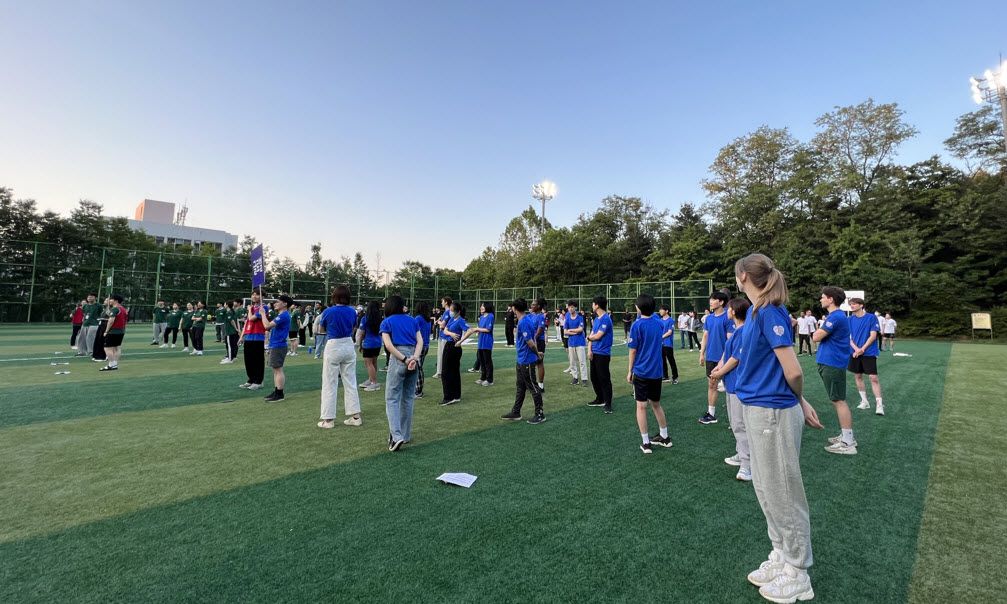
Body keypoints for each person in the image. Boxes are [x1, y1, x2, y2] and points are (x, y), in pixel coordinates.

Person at [732, 253, 822, 603]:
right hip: (759, 408)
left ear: (743, 277)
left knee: (783, 492)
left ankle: (798, 572)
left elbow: (793, 369)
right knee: (767, 489)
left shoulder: (770, 312)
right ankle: (781, 555)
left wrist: (799, 400)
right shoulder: (757, 311)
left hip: (773, 411)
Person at [710, 297, 754, 481]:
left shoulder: (743, 331)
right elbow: (728, 355)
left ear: (734, 312)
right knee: (735, 423)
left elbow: (736, 359)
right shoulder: (737, 331)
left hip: (738, 384)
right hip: (732, 384)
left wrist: (720, 373)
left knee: (739, 425)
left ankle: (747, 465)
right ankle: (741, 454)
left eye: (729, 308)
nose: (727, 310)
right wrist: (719, 366)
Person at [627, 293, 672, 454]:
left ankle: (646, 443)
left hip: (641, 370)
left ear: (639, 308)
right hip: (656, 371)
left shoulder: (637, 325)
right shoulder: (659, 323)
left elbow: (633, 350)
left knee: (641, 406)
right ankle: (665, 437)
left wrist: (629, 371)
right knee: (656, 404)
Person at [813, 286, 856, 455]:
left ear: (831, 299)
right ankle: (846, 435)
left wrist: (818, 330)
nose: (821, 299)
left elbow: (816, 337)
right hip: (830, 362)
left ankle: (848, 442)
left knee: (838, 400)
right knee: (836, 399)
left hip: (833, 363)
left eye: (823, 297)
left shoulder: (836, 316)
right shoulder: (835, 316)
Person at [380, 295, 423, 451]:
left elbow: (389, 346)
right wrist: (414, 358)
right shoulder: (412, 320)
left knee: (391, 398)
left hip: (399, 358)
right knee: (408, 398)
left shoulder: (387, 322)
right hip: (413, 357)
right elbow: (420, 341)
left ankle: (396, 436)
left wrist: (405, 359)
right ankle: (405, 435)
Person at [318, 286, 362, 428]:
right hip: (348, 344)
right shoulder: (352, 311)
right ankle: (356, 416)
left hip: (334, 344)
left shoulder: (328, 311)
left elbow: (321, 329)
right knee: (350, 381)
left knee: (329, 382)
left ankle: (328, 419)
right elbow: (354, 326)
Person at [500, 298, 546, 424]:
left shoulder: (524, 322)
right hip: (521, 359)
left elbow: (530, 342)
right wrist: (538, 351)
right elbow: (532, 340)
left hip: (526, 360)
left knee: (533, 387)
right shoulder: (525, 320)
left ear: (514, 308)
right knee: (520, 387)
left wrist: (537, 354)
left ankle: (540, 413)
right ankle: (516, 411)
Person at [848, 298, 885, 416]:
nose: (851, 306)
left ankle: (879, 405)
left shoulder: (871, 318)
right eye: (850, 304)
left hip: (869, 352)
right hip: (854, 352)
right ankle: (864, 401)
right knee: (858, 375)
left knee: (873, 377)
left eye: (853, 304)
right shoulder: (849, 319)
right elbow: (848, 337)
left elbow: (873, 335)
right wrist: (856, 349)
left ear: (861, 305)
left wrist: (862, 349)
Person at [699, 291, 731, 424]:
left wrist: (723, 359)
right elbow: (705, 335)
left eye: (714, 299)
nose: (711, 302)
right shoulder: (709, 318)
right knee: (712, 385)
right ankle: (711, 414)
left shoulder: (728, 317)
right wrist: (701, 353)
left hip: (725, 358)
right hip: (711, 357)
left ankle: (734, 419)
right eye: (710, 299)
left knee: (730, 387)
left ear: (721, 302)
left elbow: (730, 340)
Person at [259, 294, 292, 403]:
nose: (275, 303)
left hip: (279, 345)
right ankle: (277, 390)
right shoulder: (281, 315)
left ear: (285, 304)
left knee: (278, 369)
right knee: (275, 370)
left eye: (278, 301)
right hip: (275, 344)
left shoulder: (283, 315)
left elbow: (267, 326)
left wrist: (263, 314)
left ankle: (279, 393)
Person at [586, 295, 614, 413]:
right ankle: (600, 398)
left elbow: (597, 336)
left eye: (593, 304)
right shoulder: (596, 319)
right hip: (595, 352)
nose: (592, 306)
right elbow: (592, 334)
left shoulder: (606, 319)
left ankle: (608, 403)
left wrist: (589, 338)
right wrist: (589, 350)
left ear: (597, 305)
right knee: (594, 377)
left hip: (603, 353)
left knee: (604, 378)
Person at [439, 302, 469, 405]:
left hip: (454, 347)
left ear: (458, 311)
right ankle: (456, 395)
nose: (450, 312)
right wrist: (451, 333)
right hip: (449, 344)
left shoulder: (461, 321)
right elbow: (445, 330)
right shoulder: (452, 319)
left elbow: (469, 330)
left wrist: (461, 341)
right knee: (453, 371)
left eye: (452, 310)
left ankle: (449, 396)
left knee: (447, 372)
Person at [237, 289, 266, 389]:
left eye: (257, 295)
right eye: (253, 295)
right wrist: (242, 337)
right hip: (249, 336)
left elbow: (252, 318)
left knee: (257, 359)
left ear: (262, 297)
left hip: (258, 336)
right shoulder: (253, 307)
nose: (254, 297)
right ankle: (251, 379)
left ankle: (258, 381)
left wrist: (249, 310)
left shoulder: (263, 307)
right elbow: (246, 323)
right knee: (248, 360)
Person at [462, 301, 495, 387]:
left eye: (483, 306)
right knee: (482, 360)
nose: (481, 307)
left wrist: (477, 329)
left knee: (487, 361)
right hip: (481, 342)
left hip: (487, 342)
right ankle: (483, 378)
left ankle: (489, 379)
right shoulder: (481, 317)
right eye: (481, 306)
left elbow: (488, 329)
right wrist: (477, 331)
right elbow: (480, 328)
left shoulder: (490, 316)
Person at [357, 301, 383, 391]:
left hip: (369, 343)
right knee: (374, 361)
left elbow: (362, 333)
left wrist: (360, 344)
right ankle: (371, 379)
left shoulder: (365, 318)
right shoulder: (380, 318)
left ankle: (374, 383)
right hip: (378, 343)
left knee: (368, 363)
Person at [99, 294, 128, 372]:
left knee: (107, 347)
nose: (109, 301)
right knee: (116, 347)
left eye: (111, 299)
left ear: (115, 300)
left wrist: (106, 331)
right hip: (121, 331)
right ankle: (114, 364)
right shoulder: (123, 309)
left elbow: (111, 321)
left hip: (113, 331)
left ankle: (111, 365)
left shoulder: (115, 309)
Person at [564, 300, 589, 387]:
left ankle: (584, 379)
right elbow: (565, 331)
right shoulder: (567, 319)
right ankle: (575, 378)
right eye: (569, 307)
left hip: (580, 342)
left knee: (582, 362)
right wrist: (574, 331)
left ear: (575, 308)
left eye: (572, 307)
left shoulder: (580, 318)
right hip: (571, 343)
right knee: (572, 362)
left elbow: (580, 329)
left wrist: (571, 330)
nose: (570, 309)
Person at [413, 301, 432, 398]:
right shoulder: (427, 319)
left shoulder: (418, 318)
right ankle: (418, 389)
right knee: (419, 367)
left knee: (418, 369)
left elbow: (414, 331)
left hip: (420, 346)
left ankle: (418, 391)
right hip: (426, 345)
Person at [657, 304, 679, 385]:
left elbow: (670, 332)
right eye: (660, 310)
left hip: (668, 344)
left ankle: (675, 377)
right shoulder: (660, 320)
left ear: (667, 311)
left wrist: (661, 337)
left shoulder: (670, 320)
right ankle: (665, 376)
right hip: (661, 344)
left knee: (671, 360)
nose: (660, 311)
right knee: (662, 360)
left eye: (662, 310)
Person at [432, 296, 452, 379]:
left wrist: (439, 322)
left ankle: (440, 372)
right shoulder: (446, 312)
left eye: (442, 301)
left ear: (446, 302)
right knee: (441, 354)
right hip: (442, 335)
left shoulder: (448, 312)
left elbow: (443, 324)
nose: (442, 303)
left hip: (445, 336)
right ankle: (441, 371)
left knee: (442, 355)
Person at [532, 298, 548, 391]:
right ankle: (532, 383)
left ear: (538, 306)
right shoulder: (531, 316)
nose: (532, 306)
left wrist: (532, 339)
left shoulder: (541, 316)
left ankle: (541, 386)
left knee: (539, 362)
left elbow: (539, 331)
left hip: (539, 341)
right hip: (533, 341)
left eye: (534, 304)